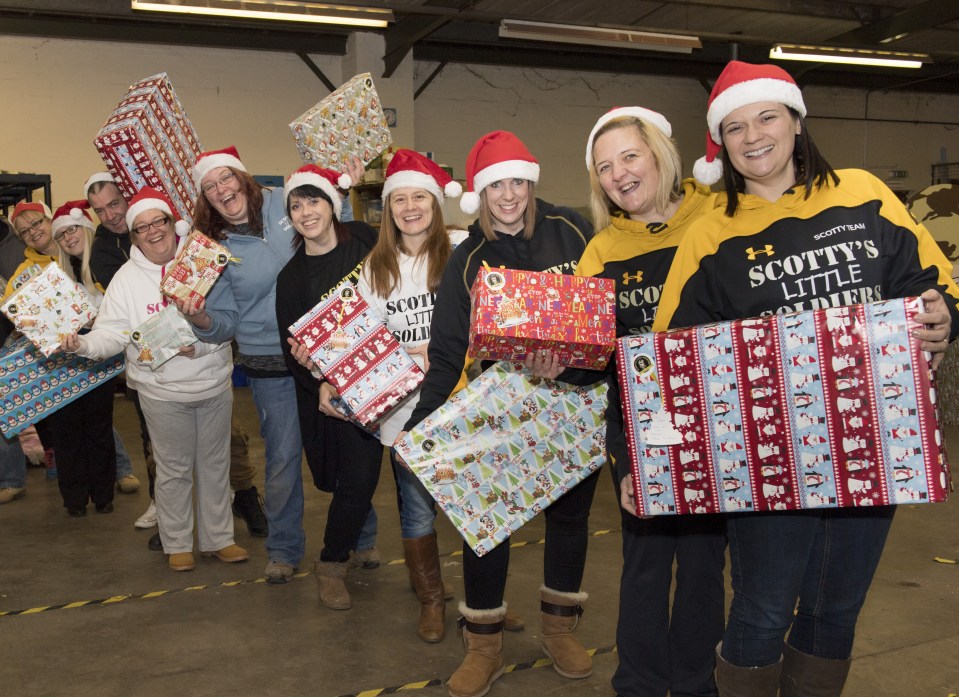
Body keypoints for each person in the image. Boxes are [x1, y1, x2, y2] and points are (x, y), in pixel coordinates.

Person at [653, 60, 959, 696]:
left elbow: (930, 284)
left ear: (794, 120)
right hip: (767, 459)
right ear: (722, 143)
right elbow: (670, 350)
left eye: (766, 116)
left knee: (835, 611)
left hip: (874, 438)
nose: (753, 135)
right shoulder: (710, 233)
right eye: (734, 127)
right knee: (762, 612)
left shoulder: (864, 193)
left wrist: (942, 315)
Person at [402, 131, 595, 697]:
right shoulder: (469, 260)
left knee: (569, 521)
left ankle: (560, 630)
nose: (508, 196)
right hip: (501, 409)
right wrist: (422, 426)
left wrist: (578, 364)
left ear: (530, 183)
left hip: (575, 401)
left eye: (516, 182)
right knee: (485, 526)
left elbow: (604, 311)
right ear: (479, 195)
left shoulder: (573, 231)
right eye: (495, 186)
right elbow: (445, 354)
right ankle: (483, 642)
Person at [577, 107, 726, 697]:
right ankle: (636, 684)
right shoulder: (601, 250)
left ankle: (697, 682)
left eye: (629, 157)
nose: (619, 174)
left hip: (717, 421)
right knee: (643, 563)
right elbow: (592, 359)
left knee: (703, 565)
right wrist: (558, 362)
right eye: (604, 167)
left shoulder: (718, 218)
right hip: (638, 426)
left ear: (660, 153)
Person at [179, 147, 369, 584]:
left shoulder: (290, 199)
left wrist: (345, 187)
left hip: (336, 349)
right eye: (210, 187)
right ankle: (284, 550)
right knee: (283, 459)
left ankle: (359, 537)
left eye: (225, 179)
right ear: (206, 199)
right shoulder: (214, 250)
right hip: (271, 362)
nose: (221, 190)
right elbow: (222, 322)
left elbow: (333, 224)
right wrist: (199, 318)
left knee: (348, 452)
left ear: (243, 178)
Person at [63, 187, 246, 571]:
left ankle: (219, 538)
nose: (152, 231)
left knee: (215, 465)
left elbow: (229, 321)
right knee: (173, 468)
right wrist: (81, 344)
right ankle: (177, 539)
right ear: (134, 235)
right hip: (160, 392)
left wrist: (202, 348)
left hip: (213, 384)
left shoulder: (202, 262)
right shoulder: (126, 280)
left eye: (158, 221)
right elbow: (111, 334)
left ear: (171, 223)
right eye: (142, 227)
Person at [354, 150, 465, 638]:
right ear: (388, 210)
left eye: (419, 195)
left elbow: (487, 320)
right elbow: (361, 342)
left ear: (435, 202)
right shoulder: (375, 269)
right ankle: (432, 600)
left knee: (477, 504)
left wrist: (435, 348)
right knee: (418, 507)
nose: (410, 206)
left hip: (464, 401)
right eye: (399, 198)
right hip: (403, 411)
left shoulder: (461, 250)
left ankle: (486, 599)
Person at [274, 164, 383, 610]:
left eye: (313, 200)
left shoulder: (365, 241)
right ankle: (331, 564)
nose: (305, 212)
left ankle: (425, 575)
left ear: (331, 203)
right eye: (295, 206)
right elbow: (293, 349)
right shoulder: (293, 278)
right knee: (354, 480)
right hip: (339, 390)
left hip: (394, 373)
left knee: (410, 481)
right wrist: (319, 382)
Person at [35, 201, 119, 517]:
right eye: (62, 235)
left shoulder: (106, 267)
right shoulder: (54, 276)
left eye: (72, 229)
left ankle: (103, 494)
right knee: (67, 431)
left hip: (100, 359)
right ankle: (74, 498)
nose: (69, 237)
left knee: (98, 428)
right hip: (64, 362)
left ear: (85, 227)